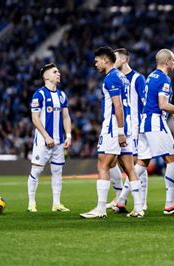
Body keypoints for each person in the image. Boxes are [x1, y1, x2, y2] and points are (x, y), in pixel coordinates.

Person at [80, 46, 144, 219]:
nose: (95, 64)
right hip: (128, 126)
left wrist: (120, 131)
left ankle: (100, 209)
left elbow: (118, 106)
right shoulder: (123, 78)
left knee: (103, 164)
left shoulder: (111, 78)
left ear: (105, 60)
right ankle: (138, 207)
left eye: (97, 61)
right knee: (129, 167)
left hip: (114, 127)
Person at [138, 48, 174, 215]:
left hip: (145, 122)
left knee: (142, 163)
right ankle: (170, 204)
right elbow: (163, 104)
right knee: (173, 160)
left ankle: (121, 199)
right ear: (167, 62)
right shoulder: (164, 79)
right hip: (155, 122)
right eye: (173, 61)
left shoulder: (150, 76)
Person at [107, 48, 148, 212]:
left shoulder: (138, 78)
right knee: (114, 162)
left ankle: (142, 202)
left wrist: (144, 126)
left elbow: (144, 102)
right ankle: (120, 197)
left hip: (136, 127)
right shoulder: (116, 78)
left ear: (123, 59)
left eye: (114, 58)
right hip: (121, 126)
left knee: (139, 162)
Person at [27, 63, 71, 213]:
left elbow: (66, 117)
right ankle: (31, 203)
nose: (58, 74)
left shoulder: (62, 95)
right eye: (54, 72)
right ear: (46, 77)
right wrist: (46, 136)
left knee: (57, 172)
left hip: (59, 141)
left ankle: (56, 204)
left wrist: (69, 135)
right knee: (37, 170)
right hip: (43, 141)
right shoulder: (39, 95)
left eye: (58, 71)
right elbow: (35, 118)